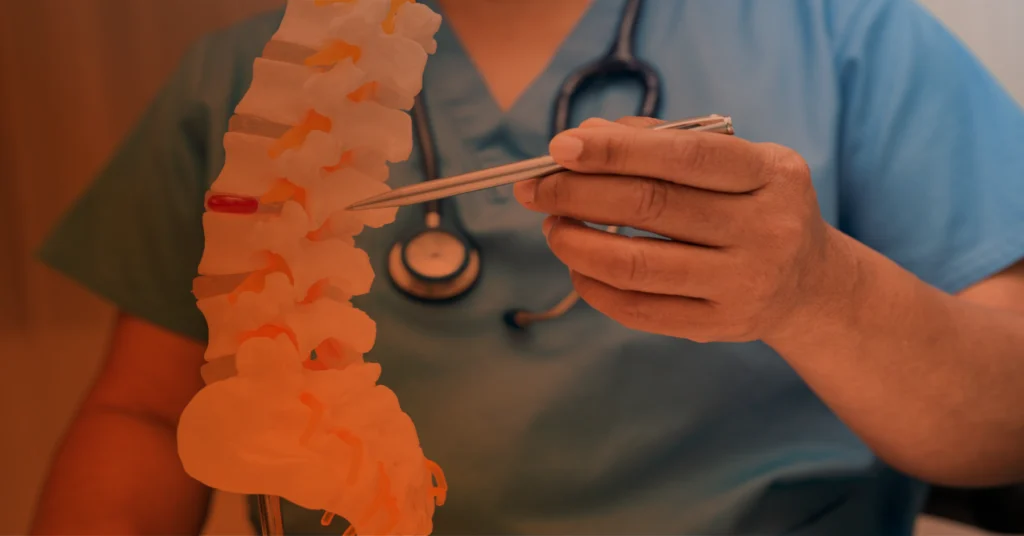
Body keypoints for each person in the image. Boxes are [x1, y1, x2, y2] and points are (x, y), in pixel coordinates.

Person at [29, 0, 1024, 534]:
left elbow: (1007, 418)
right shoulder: (242, 80)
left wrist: (817, 288)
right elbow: (150, 414)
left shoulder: (849, 34)